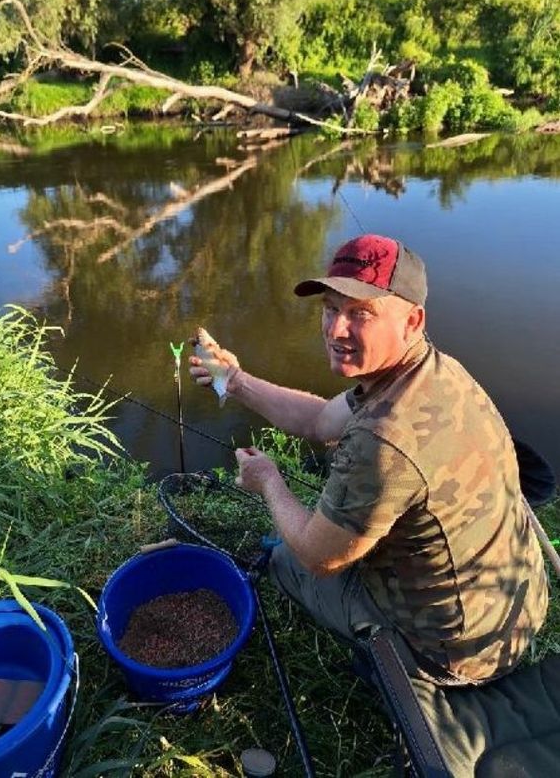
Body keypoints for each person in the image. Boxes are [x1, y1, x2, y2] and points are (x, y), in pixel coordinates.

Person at [190, 234, 548, 684]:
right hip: (517, 608)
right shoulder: (434, 371)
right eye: (331, 308)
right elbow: (321, 420)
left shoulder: (383, 440)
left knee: (286, 560)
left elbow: (319, 559)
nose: (336, 330)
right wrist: (236, 380)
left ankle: (398, 667)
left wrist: (268, 481)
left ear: (412, 320)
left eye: (361, 313)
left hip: (461, 653)